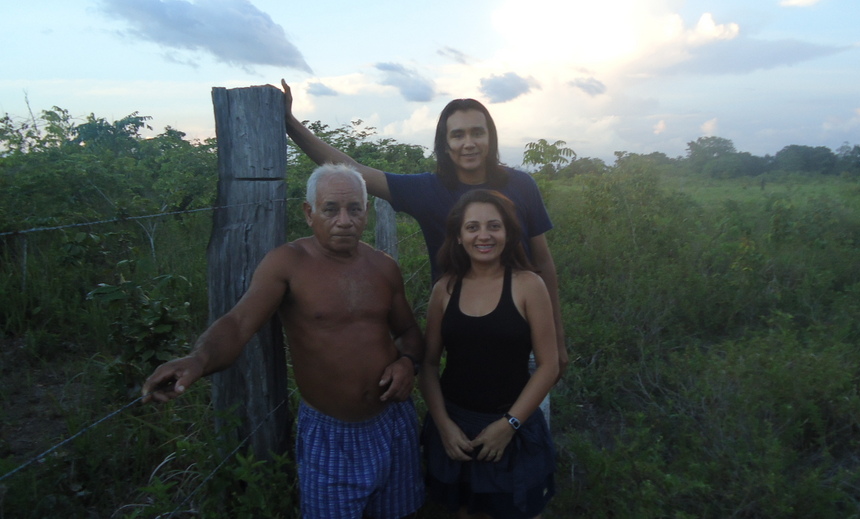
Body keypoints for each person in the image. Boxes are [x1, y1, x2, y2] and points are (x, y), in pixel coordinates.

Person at [142, 164, 426, 519]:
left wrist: (407, 363)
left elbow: (409, 333)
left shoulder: (383, 267)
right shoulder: (289, 264)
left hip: (392, 421)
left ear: (366, 212)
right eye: (330, 209)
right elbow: (239, 321)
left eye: (354, 209)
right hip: (331, 433)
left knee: (399, 512)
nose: (344, 220)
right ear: (309, 213)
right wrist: (198, 360)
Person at [281, 79, 568, 379]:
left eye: (477, 132)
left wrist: (557, 338)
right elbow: (356, 172)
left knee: (526, 407)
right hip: (463, 331)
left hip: (523, 325)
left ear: (490, 138)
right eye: (457, 135)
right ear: (445, 144)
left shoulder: (522, 186)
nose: (468, 143)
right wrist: (292, 125)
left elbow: (543, 262)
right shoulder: (427, 190)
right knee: (466, 399)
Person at [418, 189, 559, 519]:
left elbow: (548, 366)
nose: (484, 235)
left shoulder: (528, 285)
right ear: (457, 235)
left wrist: (509, 424)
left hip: (513, 426)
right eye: (472, 227)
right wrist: (443, 425)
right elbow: (427, 364)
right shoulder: (445, 289)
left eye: (494, 226)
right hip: (456, 430)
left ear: (508, 233)